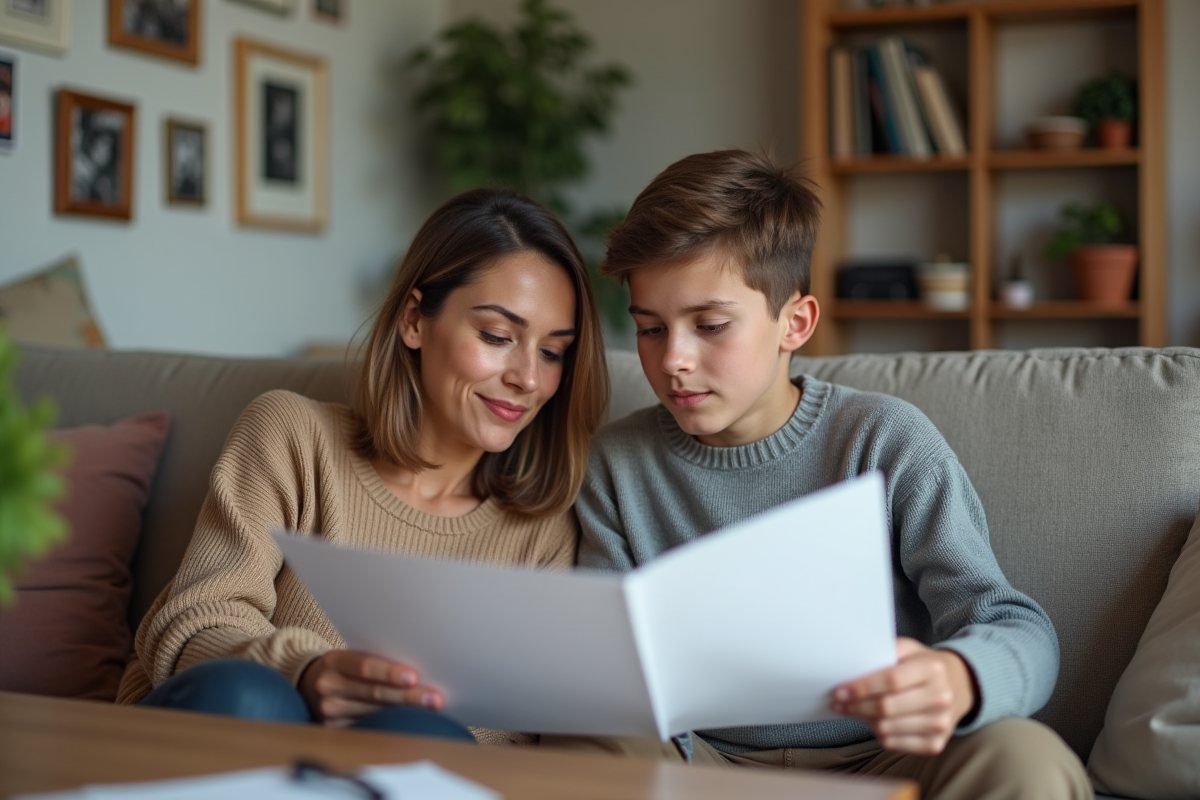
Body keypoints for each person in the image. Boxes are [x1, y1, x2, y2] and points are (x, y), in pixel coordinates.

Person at [543, 150, 1091, 798]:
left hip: (884, 760)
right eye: (650, 329)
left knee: (1024, 756)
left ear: (794, 323)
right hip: (699, 764)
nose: (674, 360)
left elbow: (1012, 622)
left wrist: (960, 678)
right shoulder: (616, 463)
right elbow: (603, 667)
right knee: (589, 736)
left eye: (710, 325)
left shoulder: (884, 441)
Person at [116, 187, 609, 743]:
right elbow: (192, 624)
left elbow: (512, 737)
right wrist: (305, 672)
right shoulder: (292, 437)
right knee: (251, 695)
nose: (529, 377)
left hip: (375, 777)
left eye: (552, 352)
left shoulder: (541, 531)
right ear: (414, 321)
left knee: (421, 735)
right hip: (206, 742)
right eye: (498, 336)